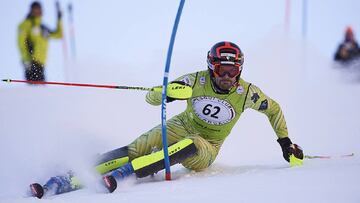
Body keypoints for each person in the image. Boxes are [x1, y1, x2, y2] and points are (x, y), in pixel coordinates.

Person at [30, 41, 304, 198]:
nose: (227, 77)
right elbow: (151, 97)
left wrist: (284, 141)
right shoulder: (195, 80)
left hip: (207, 146)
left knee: (193, 142)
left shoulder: (247, 93)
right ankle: (66, 178)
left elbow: (275, 110)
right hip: (180, 125)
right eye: (222, 69)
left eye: (233, 71)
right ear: (212, 66)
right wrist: (167, 94)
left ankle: (125, 174)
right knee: (137, 148)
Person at [18, 1, 63, 82]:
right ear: (31, 11)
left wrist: (59, 19)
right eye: (35, 10)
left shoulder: (43, 28)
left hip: (41, 63)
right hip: (31, 62)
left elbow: (58, 35)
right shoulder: (25, 25)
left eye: (39, 10)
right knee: (34, 90)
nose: (37, 12)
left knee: (40, 90)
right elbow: (21, 43)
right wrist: (26, 60)